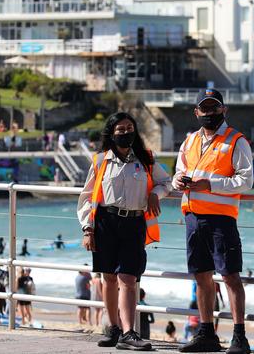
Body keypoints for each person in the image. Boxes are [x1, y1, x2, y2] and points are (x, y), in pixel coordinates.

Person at [78, 112, 171, 351]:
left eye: (129, 127)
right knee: (108, 278)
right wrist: (87, 229)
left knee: (129, 278)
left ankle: (129, 333)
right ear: (111, 133)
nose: (125, 132)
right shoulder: (100, 161)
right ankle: (114, 329)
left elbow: (167, 182)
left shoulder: (146, 158)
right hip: (105, 223)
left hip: (134, 223)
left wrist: (154, 194)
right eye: (120, 129)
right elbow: (88, 198)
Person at [173, 88, 254, 353]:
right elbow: (179, 172)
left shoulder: (236, 140)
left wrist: (210, 184)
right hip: (193, 216)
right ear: (196, 112)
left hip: (221, 219)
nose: (209, 113)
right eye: (204, 109)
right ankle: (206, 333)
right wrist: (177, 181)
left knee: (230, 276)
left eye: (214, 108)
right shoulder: (189, 141)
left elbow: (246, 181)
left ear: (224, 110)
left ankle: (239, 337)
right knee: (201, 276)